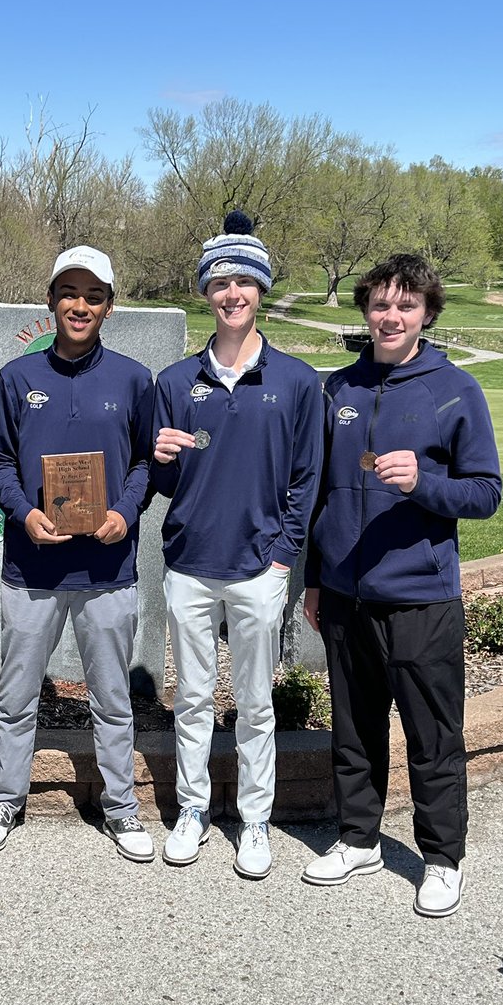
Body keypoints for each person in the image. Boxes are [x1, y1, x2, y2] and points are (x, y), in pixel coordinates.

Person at [301, 254, 502, 917]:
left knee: (432, 737)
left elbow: (485, 493)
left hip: (420, 597)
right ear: (365, 311)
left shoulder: (453, 390)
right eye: (381, 304)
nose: (391, 316)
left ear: (427, 314)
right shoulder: (339, 390)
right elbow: (318, 496)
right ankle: (358, 838)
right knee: (353, 731)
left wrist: (425, 485)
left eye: (406, 305)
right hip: (344, 595)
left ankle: (442, 858)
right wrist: (314, 581)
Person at [150, 212, 323, 875]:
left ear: (261, 291)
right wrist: (161, 456)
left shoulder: (297, 382)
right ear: (206, 292)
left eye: (244, 282)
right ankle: (192, 810)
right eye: (220, 283)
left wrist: (282, 556)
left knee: (254, 703)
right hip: (191, 564)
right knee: (191, 697)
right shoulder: (175, 382)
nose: (232, 294)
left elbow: (306, 481)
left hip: (259, 568)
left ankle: (254, 821)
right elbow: (164, 480)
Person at [0, 246, 155, 861]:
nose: (80, 306)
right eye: (69, 294)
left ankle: (122, 807)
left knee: (112, 698)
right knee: (18, 694)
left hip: (107, 569)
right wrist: (23, 514)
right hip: (33, 567)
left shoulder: (133, 379)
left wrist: (123, 514)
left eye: (93, 295)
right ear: (51, 302)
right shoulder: (18, 378)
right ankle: (5, 797)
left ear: (109, 305)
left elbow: (141, 464)